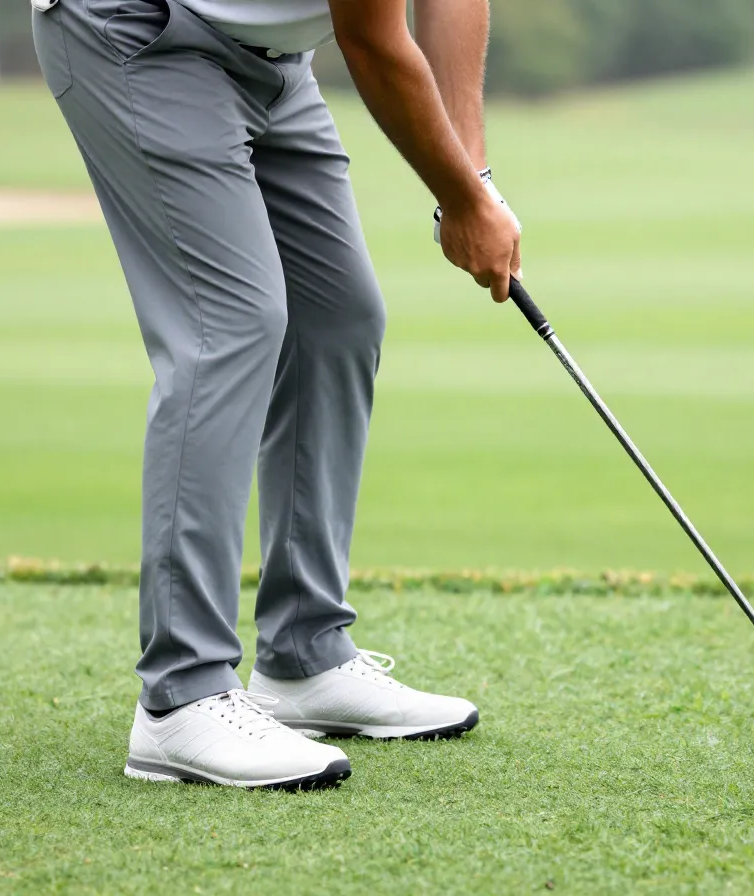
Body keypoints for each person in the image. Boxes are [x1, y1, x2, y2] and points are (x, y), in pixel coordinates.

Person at [31, 0, 522, 790]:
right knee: (230, 323)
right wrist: (462, 202)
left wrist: (477, 182)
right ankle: (180, 696)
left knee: (339, 316)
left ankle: (303, 654)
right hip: (136, 27)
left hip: (269, 59)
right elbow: (372, 39)